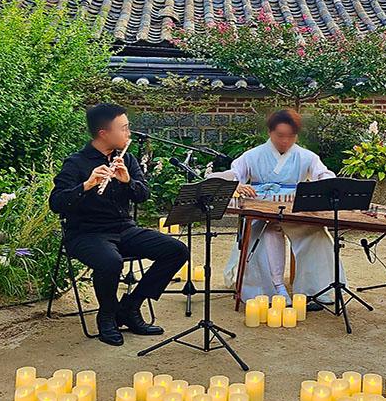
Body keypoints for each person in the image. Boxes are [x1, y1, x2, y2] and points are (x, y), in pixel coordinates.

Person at [49, 103, 189, 346]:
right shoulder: (76, 163)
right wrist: (87, 185)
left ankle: (131, 306)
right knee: (110, 262)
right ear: (104, 133)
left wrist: (127, 182)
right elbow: (57, 202)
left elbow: (143, 194)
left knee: (176, 250)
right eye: (124, 128)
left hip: (124, 229)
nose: (129, 133)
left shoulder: (126, 158)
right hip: (86, 233)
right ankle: (107, 315)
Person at [213, 109, 341, 309]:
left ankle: (315, 290)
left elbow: (324, 175)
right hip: (261, 211)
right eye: (280, 135)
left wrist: (325, 185)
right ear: (270, 133)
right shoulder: (253, 155)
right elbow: (234, 174)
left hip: (294, 211)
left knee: (318, 235)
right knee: (268, 232)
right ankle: (275, 289)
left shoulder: (306, 156)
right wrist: (237, 185)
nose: (285, 141)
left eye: (290, 136)